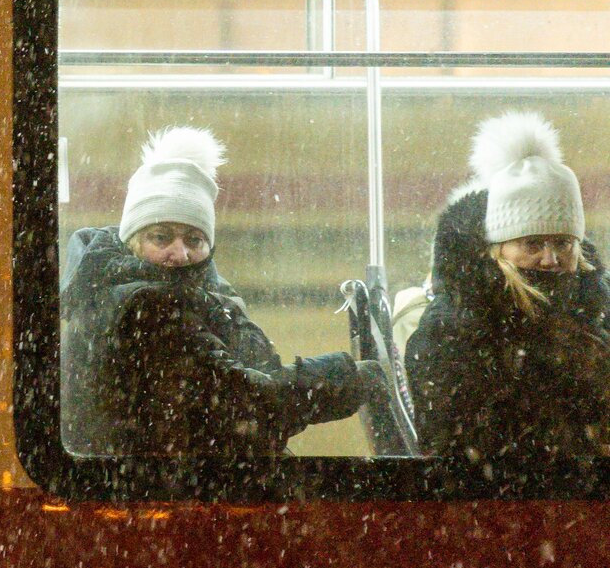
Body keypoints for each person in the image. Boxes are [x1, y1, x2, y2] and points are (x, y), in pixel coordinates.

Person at [60, 127, 371, 457]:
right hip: (166, 491)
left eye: (194, 240)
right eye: (161, 237)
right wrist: (348, 378)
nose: (180, 254)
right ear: (133, 243)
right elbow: (245, 399)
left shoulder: (199, 297)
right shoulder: (145, 304)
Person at [405, 111, 610, 462]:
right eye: (532, 243)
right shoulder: (453, 329)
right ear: (498, 249)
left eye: (563, 243)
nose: (551, 259)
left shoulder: (597, 314)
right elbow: (456, 457)